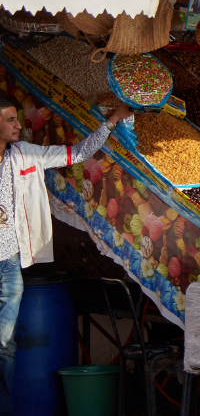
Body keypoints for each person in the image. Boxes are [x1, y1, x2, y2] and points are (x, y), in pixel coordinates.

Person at [0, 100, 133, 412]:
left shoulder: (25, 154)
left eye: (17, 119)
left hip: (7, 264)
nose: (18, 125)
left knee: (4, 346)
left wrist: (111, 121)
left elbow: (78, 154)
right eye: (9, 120)